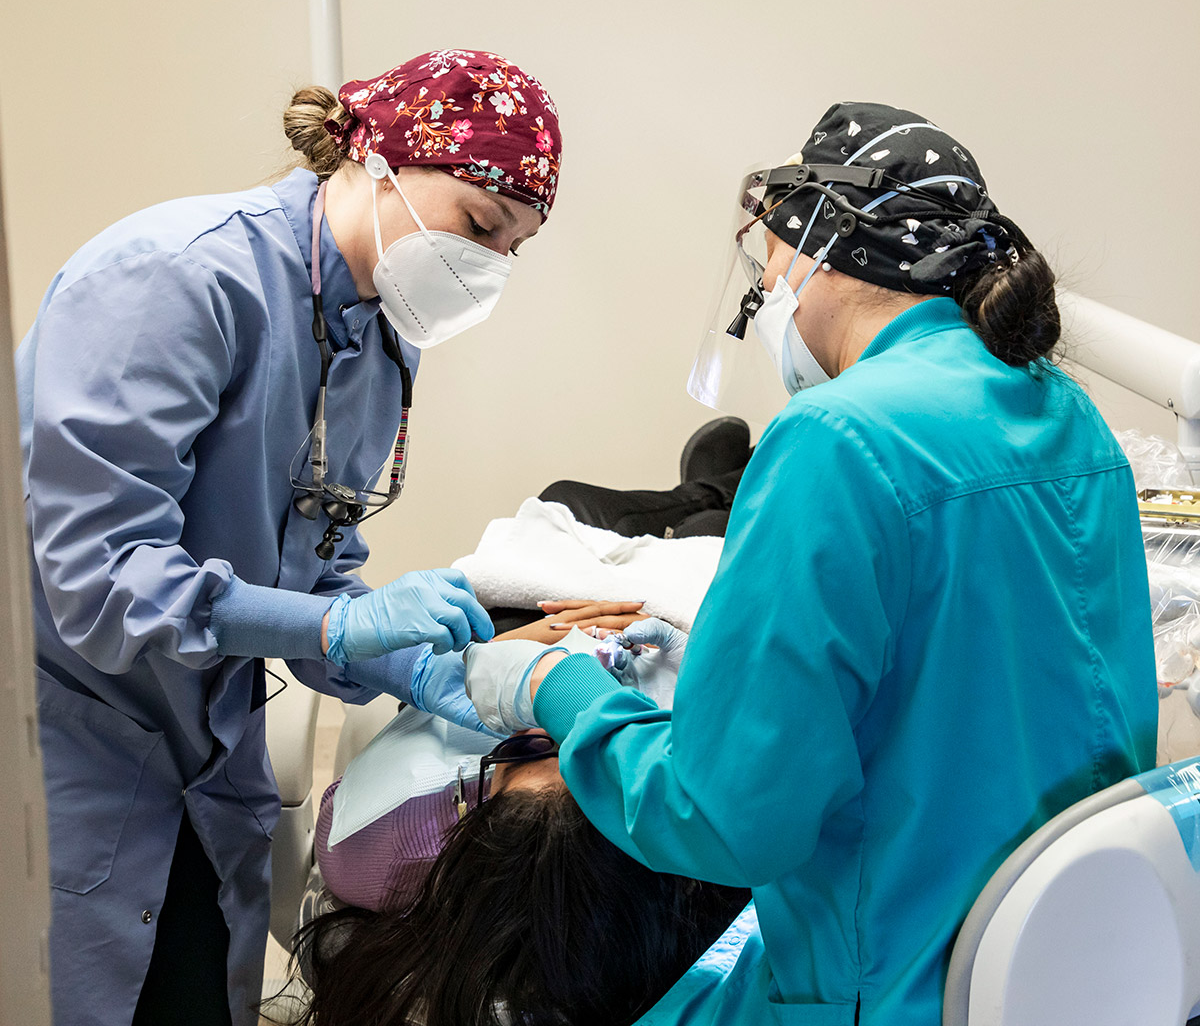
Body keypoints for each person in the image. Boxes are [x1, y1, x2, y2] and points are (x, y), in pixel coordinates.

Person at [464, 102, 1159, 1025]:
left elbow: (722, 818)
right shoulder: (1066, 413)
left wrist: (556, 687)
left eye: (773, 259)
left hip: (898, 983)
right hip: (1073, 962)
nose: (769, 288)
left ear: (822, 245)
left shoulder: (836, 436)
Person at [17, 48, 561, 1026]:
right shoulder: (176, 281)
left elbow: (318, 567)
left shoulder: (376, 339)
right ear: (376, 157)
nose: (487, 266)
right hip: (72, 754)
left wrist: (417, 663)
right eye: (479, 227)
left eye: (512, 248)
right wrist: (330, 631)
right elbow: (99, 579)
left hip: (199, 762)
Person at [289, 609, 733, 1026]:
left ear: (474, 812)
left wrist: (506, 648)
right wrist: (705, 669)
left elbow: (346, 813)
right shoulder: (711, 867)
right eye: (596, 759)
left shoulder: (397, 852)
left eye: (526, 750)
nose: (544, 726)